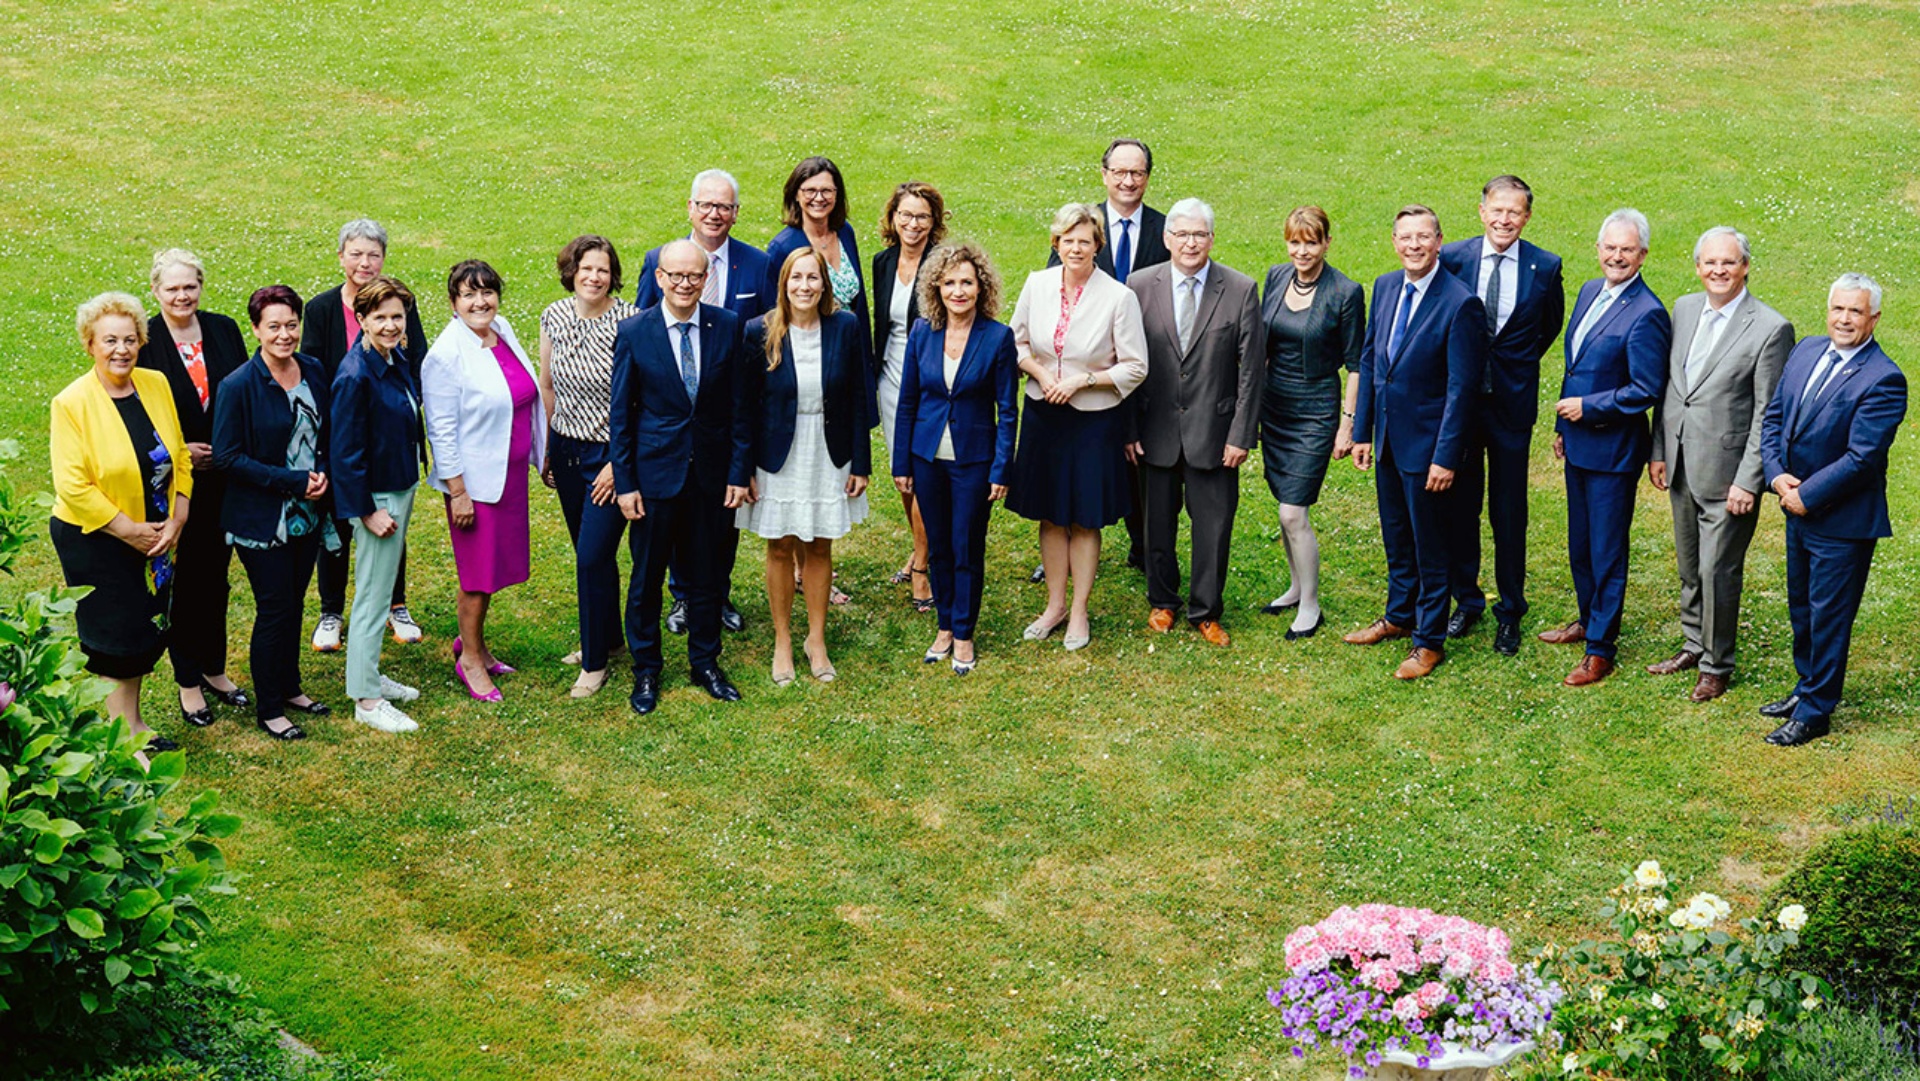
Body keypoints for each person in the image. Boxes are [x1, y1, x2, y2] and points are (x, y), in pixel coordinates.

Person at [1757, 274, 1907, 747]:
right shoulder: (1805, 350)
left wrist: (1807, 495)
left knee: (1829, 615)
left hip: (1840, 521)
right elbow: (1776, 416)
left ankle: (1817, 710)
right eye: (1838, 309)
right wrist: (1777, 475)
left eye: (1856, 312)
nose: (1844, 319)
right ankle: (1806, 688)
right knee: (1801, 606)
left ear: (1874, 318)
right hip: (1794, 503)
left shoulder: (1883, 378)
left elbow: (1863, 458)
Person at [1646, 227, 1793, 702]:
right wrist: (1660, 451)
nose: (1718, 270)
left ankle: (1717, 664)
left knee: (1718, 570)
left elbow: (1769, 412)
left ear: (1746, 266)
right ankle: (1693, 643)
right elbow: (1673, 390)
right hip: (1682, 463)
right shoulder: (1685, 309)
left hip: (1729, 475)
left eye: (1728, 262)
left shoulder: (1770, 328)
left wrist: (1750, 480)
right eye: (1710, 262)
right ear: (1697, 267)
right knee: (1690, 565)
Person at [610, 240, 755, 716]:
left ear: (705, 279)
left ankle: (705, 662)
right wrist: (626, 483)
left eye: (694, 276)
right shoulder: (634, 331)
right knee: (647, 578)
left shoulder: (727, 326)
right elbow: (622, 417)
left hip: (712, 478)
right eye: (675, 276)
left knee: (710, 575)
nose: (685, 284)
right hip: (654, 478)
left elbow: (739, 407)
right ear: (659, 278)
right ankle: (647, 669)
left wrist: (739, 471)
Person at [1344, 205, 1489, 680]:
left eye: (1423, 237)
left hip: (1429, 451)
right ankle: (1398, 615)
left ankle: (1428, 641)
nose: (1414, 245)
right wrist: (1363, 430)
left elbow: (1461, 389)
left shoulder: (1460, 302)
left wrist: (1446, 457)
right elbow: (1370, 360)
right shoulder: (1386, 286)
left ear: (1439, 241)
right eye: (1405, 237)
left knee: (1431, 546)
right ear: (1394, 241)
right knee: (1397, 536)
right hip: (1387, 441)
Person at [50, 292, 192, 753]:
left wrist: (177, 518)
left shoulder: (155, 384)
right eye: (109, 340)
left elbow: (181, 457)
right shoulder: (71, 403)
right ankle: (122, 742)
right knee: (115, 633)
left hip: (156, 531)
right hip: (100, 537)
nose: (121, 350)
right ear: (89, 343)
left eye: (130, 339)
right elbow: (74, 486)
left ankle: (132, 723)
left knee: (143, 626)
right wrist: (130, 531)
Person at [1007, 203, 1148, 651]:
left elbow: (1136, 366)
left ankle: (1081, 610)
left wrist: (1085, 380)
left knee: (1085, 518)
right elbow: (1015, 340)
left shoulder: (1118, 297)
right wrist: (1043, 375)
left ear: (1097, 246)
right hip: (1044, 413)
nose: (1075, 248)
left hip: (1093, 421)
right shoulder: (1037, 284)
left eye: (1084, 241)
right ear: (1056, 243)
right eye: (1067, 240)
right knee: (1050, 514)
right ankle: (1054, 605)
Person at [635, 170, 769, 637]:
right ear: (690, 207)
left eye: (725, 206)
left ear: (735, 213)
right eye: (706, 205)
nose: (715, 214)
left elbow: (770, 330)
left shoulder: (757, 263)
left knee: (719, 523)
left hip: (725, 411)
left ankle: (717, 593)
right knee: (671, 515)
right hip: (670, 420)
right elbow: (644, 333)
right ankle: (682, 597)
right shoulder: (660, 260)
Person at [1124, 198, 1263, 646]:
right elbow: (1125, 360)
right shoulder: (1139, 285)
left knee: (1214, 529)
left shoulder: (1240, 289)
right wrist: (1129, 429)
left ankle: (1206, 611)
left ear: (1212, 239)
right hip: (1154, 432)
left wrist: (1241, 434)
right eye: (1181, 234)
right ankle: (1162, 602)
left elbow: (1251, 370)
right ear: (1167, 239)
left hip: (1216, 435)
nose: (1190, 242)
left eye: (1199, 234)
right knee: (1155, 527)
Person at [1437, 176, 1566, 655]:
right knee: (1460, 506)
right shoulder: (1454, 260)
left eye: (1515, 212)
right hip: (1462, 408)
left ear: (1527, 217)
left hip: (1511, 408)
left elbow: (1548, 327)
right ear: (1481, 210)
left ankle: (1509, 610)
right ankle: (1466, 601)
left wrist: (1513, 366)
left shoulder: (1544, 267)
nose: (1505, 219)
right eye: (1497, 210)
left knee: (1509, 512)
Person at [1543, 209, 1671, 686]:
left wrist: (1587, 408)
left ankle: (1601, 648)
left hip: (1614, 451)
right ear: (1598, 250)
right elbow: (1577, 365)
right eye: (1610, 248)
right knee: (1581, 543)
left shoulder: (1648, 313)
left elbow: (1645, 388)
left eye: (1627, 250)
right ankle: (1586, 618)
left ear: (1642, 255)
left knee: (1607, 549)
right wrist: (1563, 423)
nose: (1617, 256)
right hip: (1577, 443)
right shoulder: (1589, 291)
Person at [738, 248, 871, 685]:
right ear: (784, 283)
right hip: (777, 453)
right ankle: (782, 639)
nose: (804, 286)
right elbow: (744, 409)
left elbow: (858, 397)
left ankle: (816, 638)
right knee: (779, 546)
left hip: (828, 450)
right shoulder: (759, 330)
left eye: (813, 278)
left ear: (824, 284)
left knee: (818, 545)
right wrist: (744, 471)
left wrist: (861, 463)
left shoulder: (845, 327)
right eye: (796, 278)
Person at [1041, 138, 1170, 578]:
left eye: (1137, 173)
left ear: (1148, 177)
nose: (1128, 180)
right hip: (1084, 372)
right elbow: (1051, 289)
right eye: (1119, 172)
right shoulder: (1080, 226)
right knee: (1071, 465)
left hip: (1144, 367)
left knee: (1142, 463)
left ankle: (1145, 547)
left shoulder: (1167, 231)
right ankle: (1057, 551)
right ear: (1105, 174)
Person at [211, 286, 334, 740]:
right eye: (274, 327)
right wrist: (292, 481)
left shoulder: (314, 370)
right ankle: (269, 709)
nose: (285, 335)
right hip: (262, 519)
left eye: (291, 325)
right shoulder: (239, 385)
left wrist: (319, 474)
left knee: (295, 603)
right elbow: (227, 457)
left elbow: (324, 432)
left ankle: (290, 687)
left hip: (308, 510)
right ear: (257, 330)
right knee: (274, 607)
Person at [300, 218, 429, 650]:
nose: (364, 262)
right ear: (341, 257)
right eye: (355, 253)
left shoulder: (400, 303)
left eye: (373, 254)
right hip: (343, 432)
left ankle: (396, 604)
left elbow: (416, 363)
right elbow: (313, 370)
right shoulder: (320, 309)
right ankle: (331, 611)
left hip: (389, 436)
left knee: (391, 522)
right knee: (338, 523)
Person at [892, 241, 1019, 675]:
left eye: (966, 282)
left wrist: (1001, 468)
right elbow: (907, 402)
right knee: (939, 545)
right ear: (937, 287)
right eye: (949, 283)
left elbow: (1008, 409)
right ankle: (944, 626)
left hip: (974, 461)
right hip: (926, 458)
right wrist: (901, 464)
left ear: (980, 287)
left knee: (966, 546)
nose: (958, 291)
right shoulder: (921, 333)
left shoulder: (998, 338)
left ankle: (964, 633)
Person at [422, 260, 546, 703]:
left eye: (487, 292)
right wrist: (458, 492)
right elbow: (440, 429)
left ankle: (475, 643)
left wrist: (539, 456)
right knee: (477, 575)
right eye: (468, 295)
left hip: (508, 477)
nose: (480, 302)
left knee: (491, 570)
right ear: (453, 304)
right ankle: (470, 659)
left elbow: (525, 397)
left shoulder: (502, 330)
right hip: (474, 486)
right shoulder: (445, 355)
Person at [137, 248, 250, 729]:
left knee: (217, 577)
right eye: (172, 288)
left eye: (190, 286)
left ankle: (214, 668)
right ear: (156, 291)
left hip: (227, 477)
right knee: (187, 582)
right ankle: (187, 681)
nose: (182, 296)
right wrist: (183, 450)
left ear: (201, 286)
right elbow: (137, 412)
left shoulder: (223, 329)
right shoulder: (144, 340)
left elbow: (247, 389)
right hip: (177, 483)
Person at [766, 156, 875, 609]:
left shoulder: (842, 234)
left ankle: (813, 570)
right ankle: (795, 572)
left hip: (844, 358)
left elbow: (858, 299)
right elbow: (780, 309)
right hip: (803, 365)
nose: (818, 197)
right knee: (793, 477)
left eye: (827, 189)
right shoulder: (783, 246)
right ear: (796, 195)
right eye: (809, 190)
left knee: (825, 471)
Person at [1257, 206, 1366, 639]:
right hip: (1275, 408)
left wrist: (1348, 424)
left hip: (1315, 409)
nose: (1302, 251)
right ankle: (1295, 584)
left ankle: (1311, 603)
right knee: (1284, 506)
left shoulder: (1345, 291)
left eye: (1311, 242)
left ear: (1326, 243)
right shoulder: (1276, 276)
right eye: (1295, 242)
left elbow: (1357, 364)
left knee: (1293, 510)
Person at [538, 235, 639, 698]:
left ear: (612, 274)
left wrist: (620, 463)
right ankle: (611, 640)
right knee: (588, 549)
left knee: (591, 556)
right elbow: (547, 385)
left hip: (607, 457)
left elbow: (642, 400)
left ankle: (594, 663)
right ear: (571, 272)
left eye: (602, 269)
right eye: (585, 269)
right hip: (565, 450)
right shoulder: (554, 316)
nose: (594, 277)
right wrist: (546, 449)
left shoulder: (632, 321)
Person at [330, 275, 427, 733]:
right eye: (380, 317)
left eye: (397, 317)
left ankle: (369, 675)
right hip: (378, 499)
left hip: (398, 485)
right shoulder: (355, 375)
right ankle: (366, 700)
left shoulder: (394, 357)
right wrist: (367, 510)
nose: (390, 325)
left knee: (382, 589)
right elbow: (344, 452)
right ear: (361, 319)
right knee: (372, 597)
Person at [872, 181, 948, 613]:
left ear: (934, 221)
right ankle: (925, 545)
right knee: (902, 471)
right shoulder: (883, 262)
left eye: (922, 216)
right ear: (893, 218)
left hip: (930, 382)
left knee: (923, 471)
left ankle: (922, 565)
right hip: (890, 378)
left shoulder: (941, 264)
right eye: (906, 215)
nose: (913, 224)